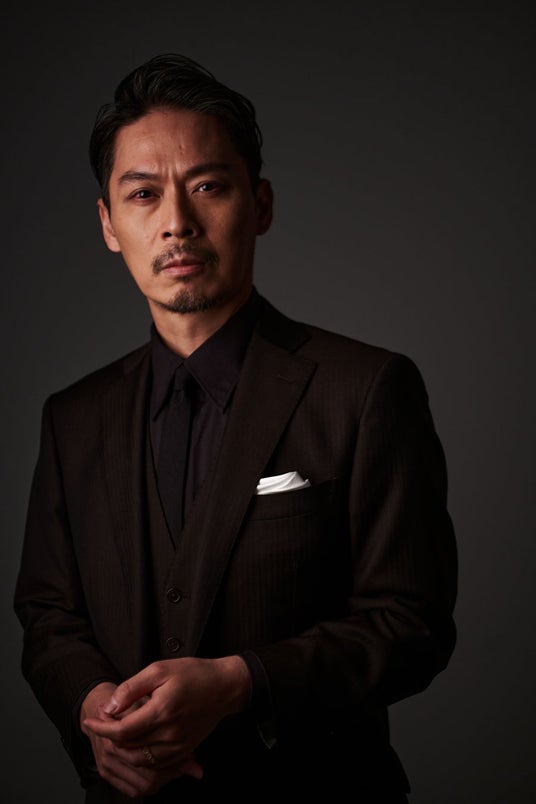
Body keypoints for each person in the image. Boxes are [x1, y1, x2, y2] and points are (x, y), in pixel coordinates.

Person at [14, 53, 457, 803]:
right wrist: (95, 716)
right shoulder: (73, 417)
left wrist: (240, 682)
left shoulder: (366, 388)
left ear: (261, 204)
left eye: (208, 187)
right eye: (143, 194)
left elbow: (412, 623)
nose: (176, 223)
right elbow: (47, 614)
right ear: (109, 225)